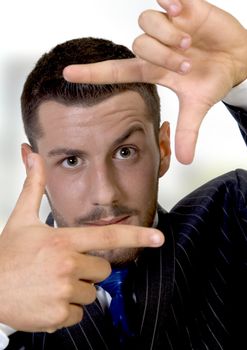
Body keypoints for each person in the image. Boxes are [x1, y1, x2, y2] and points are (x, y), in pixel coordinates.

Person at [0, 0, 246, 349]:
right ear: (31, 166)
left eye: (124, 152)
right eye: (71, 161)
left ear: (162, 149)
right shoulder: (6, 298)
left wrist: (244, 79)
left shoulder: (231, 216)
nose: (105, 193)